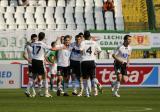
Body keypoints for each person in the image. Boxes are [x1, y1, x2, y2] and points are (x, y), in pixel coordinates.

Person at [31, 32, 53, 98]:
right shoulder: (43, 44)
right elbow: (52, 48)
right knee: (45, 76)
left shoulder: (34, 43)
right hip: (40, 61)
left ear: (38, 36)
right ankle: (46, 93)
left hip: (34, 61)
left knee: (33, 77)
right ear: (43, 37)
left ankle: (33, 92)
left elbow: (31, 44)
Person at [80, 31, 102, 97]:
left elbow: (81, 50)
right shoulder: (94, 42)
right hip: (92, 61)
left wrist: (82, 55)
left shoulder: (83, 42)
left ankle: (87, 94)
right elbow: (100, 50)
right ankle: (98, 83)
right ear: (90, 36)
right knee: (93, 77)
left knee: (85, 78)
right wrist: (95, 53)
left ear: (84, 36)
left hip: (84, 61)